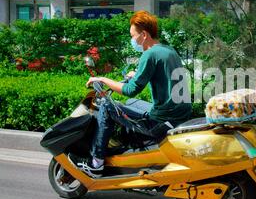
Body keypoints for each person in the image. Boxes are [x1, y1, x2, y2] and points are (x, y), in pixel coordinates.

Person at [70, 10, 192, 178]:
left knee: (107, 105)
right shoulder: (167, 50)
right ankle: (127, 147)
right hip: (178, 115)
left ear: (144, 34)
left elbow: (129, 90)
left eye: (133, 36)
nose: (132, 40)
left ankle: (96, 163)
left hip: (161, 122)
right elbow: (161, 76)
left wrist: (103, 79)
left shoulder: (149, 55)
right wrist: (137, 74)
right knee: (131, 104)